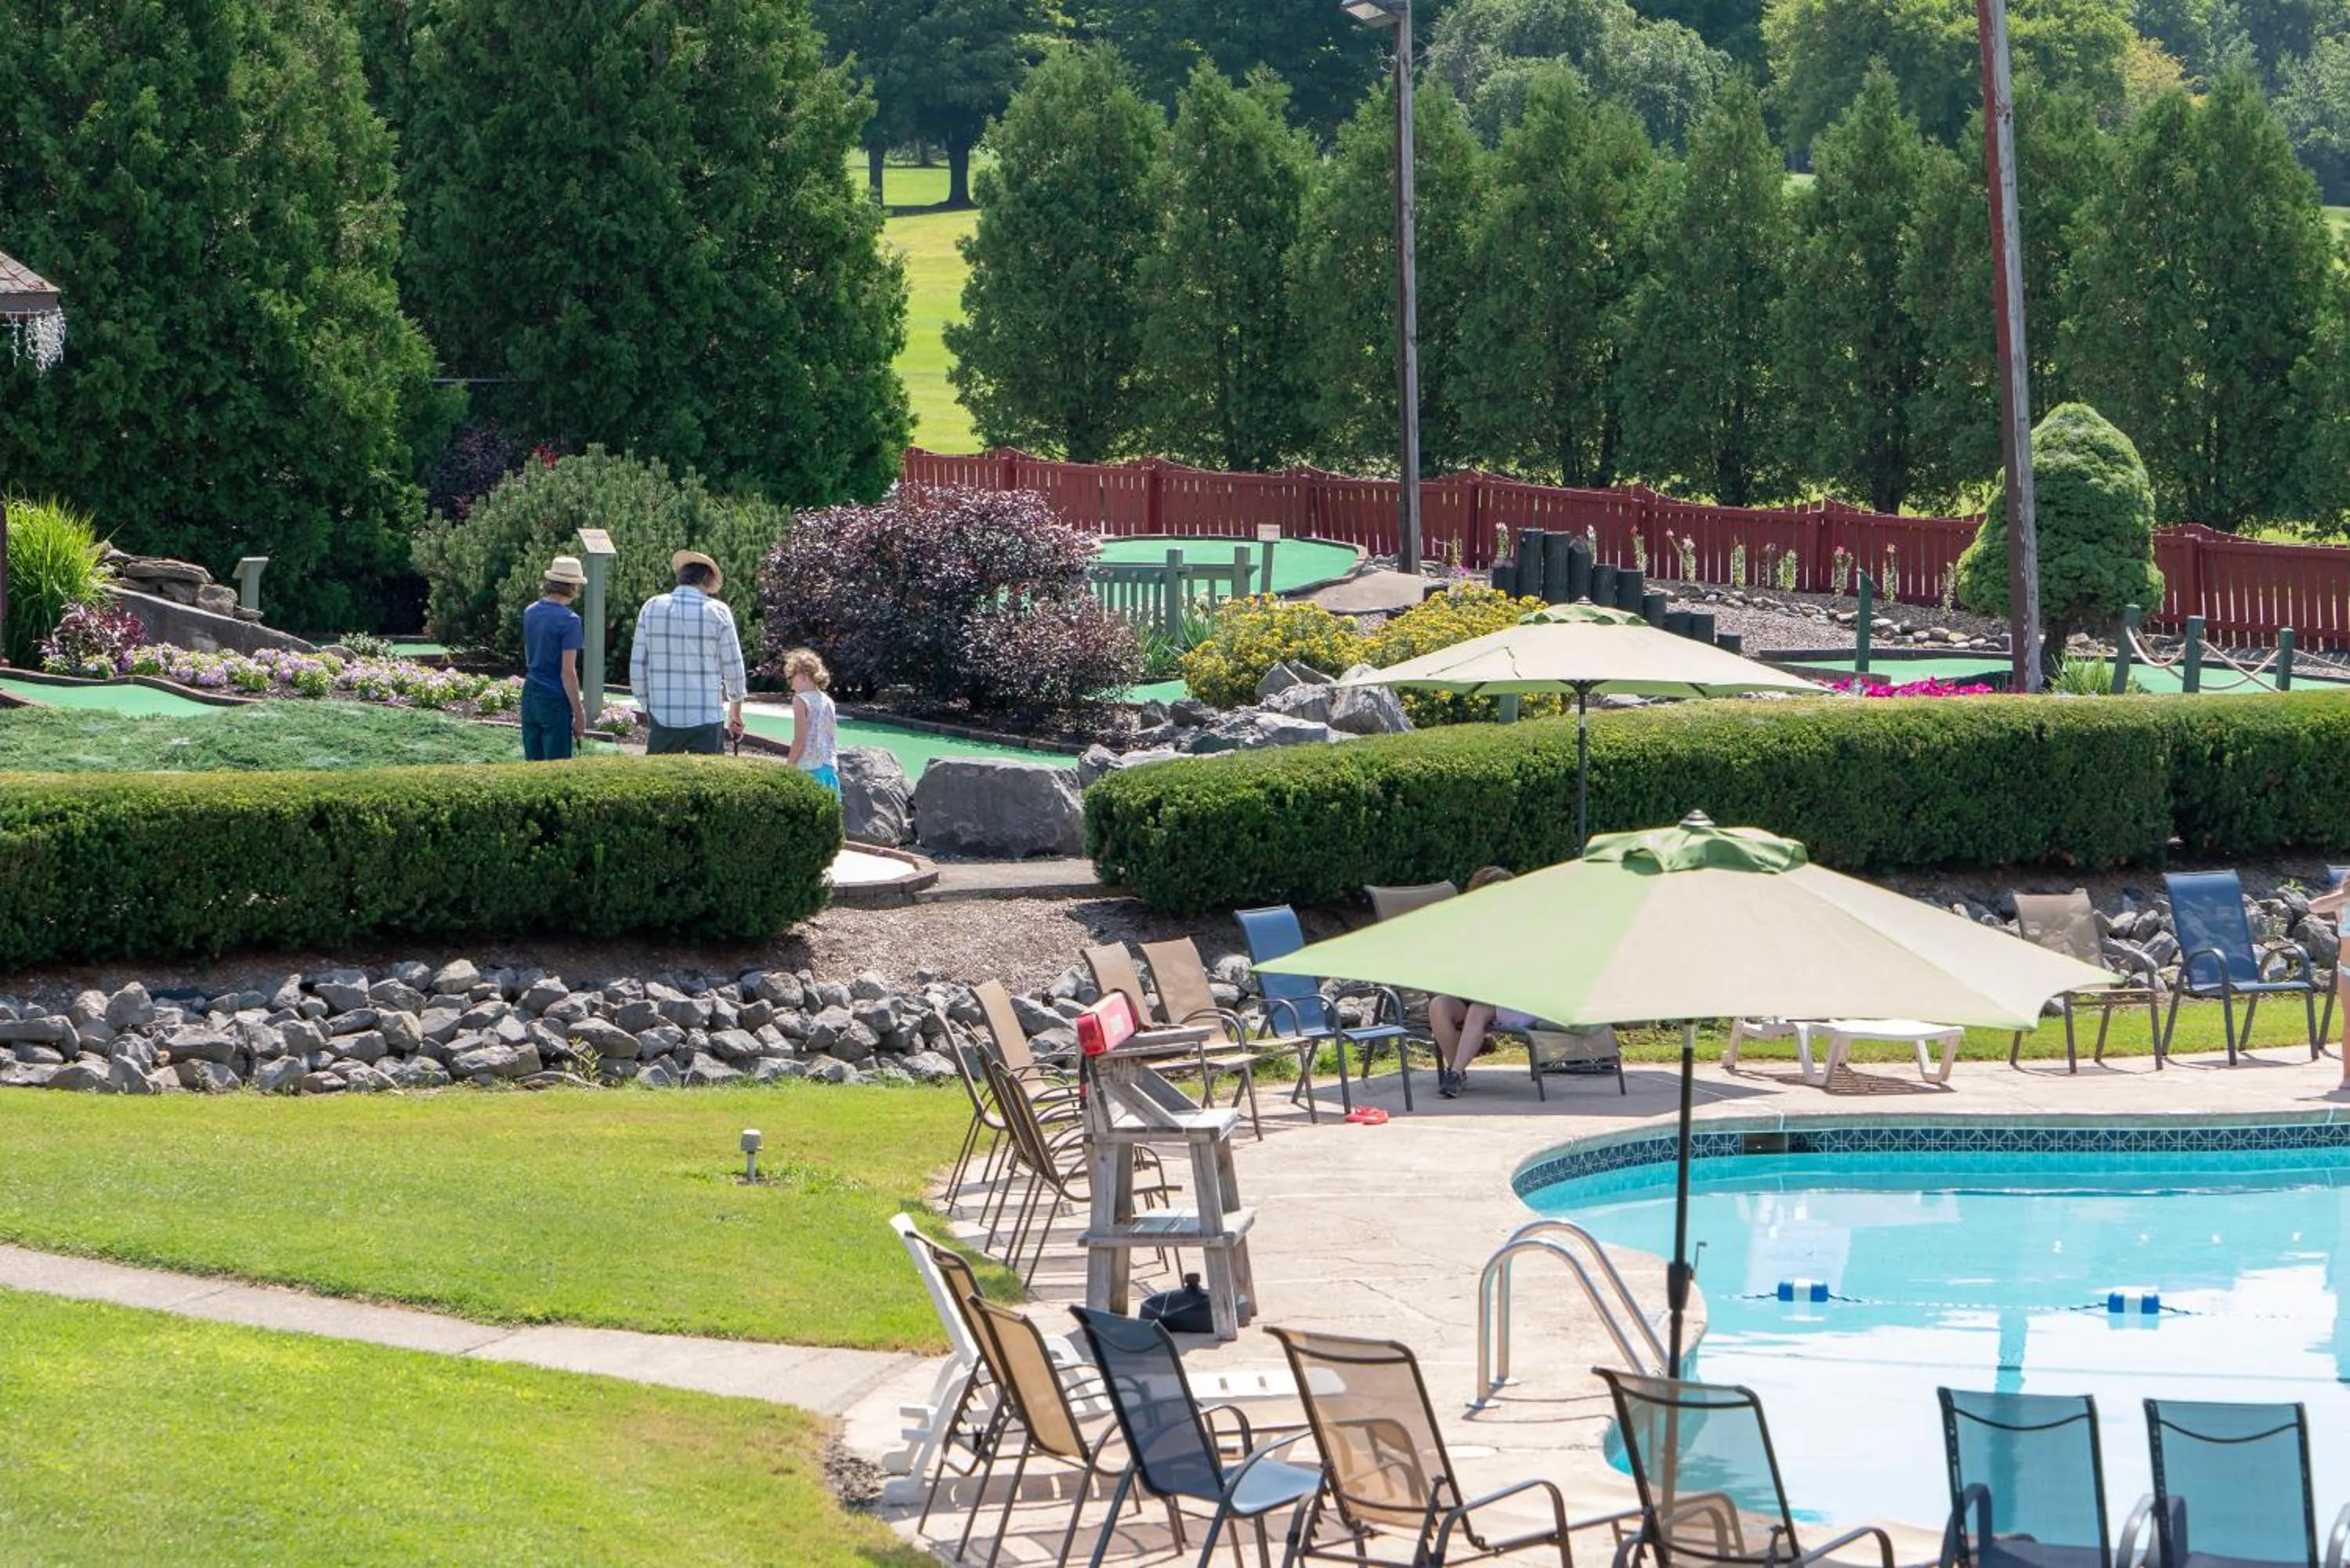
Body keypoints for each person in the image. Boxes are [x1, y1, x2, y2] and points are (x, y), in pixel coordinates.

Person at [1428, 866, 1542, 1097]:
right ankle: (1456, 1070)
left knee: (1478, 1011)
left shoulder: (1522, 927)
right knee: (1439, 1006)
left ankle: (1456, 1073)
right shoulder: (1472, 928)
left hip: (1518, 1000)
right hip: (1477, 996)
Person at [629, 549, 745, 754]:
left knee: (659, 783)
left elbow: (638, 664)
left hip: (663, 714)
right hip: (706, 715)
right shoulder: (718, 611)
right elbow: (734, 667)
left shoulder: (651, 606)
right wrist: (735, 713)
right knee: (709, 783)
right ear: (708, 580)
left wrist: (646, 703)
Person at [520, 555, 588, 761]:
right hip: (554, 699)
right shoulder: (570, 621)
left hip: (530, 694)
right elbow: (568, 673)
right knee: (558, 772)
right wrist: (579, 713)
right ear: (573, 587)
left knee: (533, 767)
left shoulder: (530, 612)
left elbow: (528, 654)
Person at [780, 647, 839, 795]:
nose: (791, 685)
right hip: (829, 767)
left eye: (790, 678)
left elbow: (800, 741)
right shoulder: (828, 701)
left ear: (803, 675)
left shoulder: (801, 700)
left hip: (809, 769)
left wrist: (788, 767)